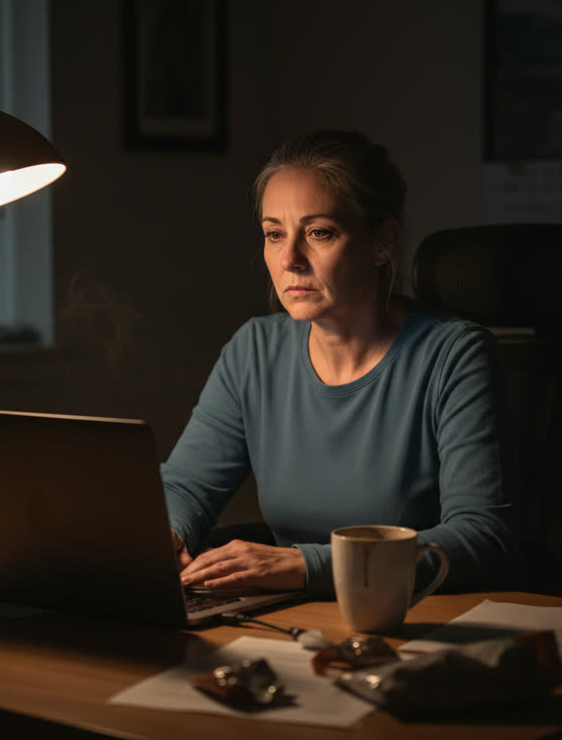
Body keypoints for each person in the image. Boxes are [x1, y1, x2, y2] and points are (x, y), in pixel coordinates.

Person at [162, 129, 518, 597]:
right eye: (273, 234)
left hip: (417, 623)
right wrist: (165, 536)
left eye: (319, 233)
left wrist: (305, 566)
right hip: (296, 621)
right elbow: (186, 485)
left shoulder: (454, 355)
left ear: (382, 243)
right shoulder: (254, 350)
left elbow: (482, 538)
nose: (289, 259)